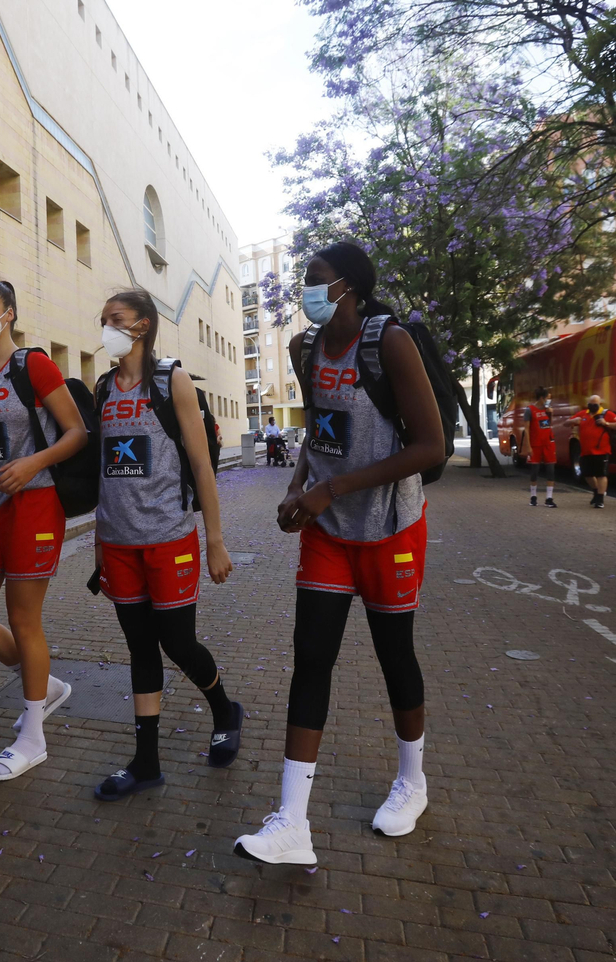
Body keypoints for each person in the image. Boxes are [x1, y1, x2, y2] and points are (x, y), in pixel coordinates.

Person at [234, 240, 445, 866]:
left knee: (393, 655)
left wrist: (336, 488)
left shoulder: (390, 343)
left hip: (389, 527)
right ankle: (291, 822)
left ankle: (413, 782)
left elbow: (431, 446)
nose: (308, 292)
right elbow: (320, 431)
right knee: (311, 659)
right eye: (305, 281)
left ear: (350, 286)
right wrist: (298, 488)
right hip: (328, 532)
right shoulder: (306, 349)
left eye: (318, 280)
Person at [91, 290, 240, 801]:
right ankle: (146, 761)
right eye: (103, 319)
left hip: (169, 538)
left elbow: (201, 465)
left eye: (117, 319)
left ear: (143, 326)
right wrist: (98, 541)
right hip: (118, 542)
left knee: (177, 643)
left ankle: (224, 708)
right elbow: (105, 475)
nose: (106, 327)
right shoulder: (103, 387)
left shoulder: (171, 379)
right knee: (139, 647)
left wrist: (214, 540)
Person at [0, 281, 88, 780]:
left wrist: (32, 464)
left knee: (24, 620)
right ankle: (43, 684)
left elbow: (77, 433)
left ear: (8, 314)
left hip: (35, 504)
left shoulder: (33, 366)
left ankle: (32, 736)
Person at [575, 393, 616, 508]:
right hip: (586, 451)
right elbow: (566, 423)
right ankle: (596, 491)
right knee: (587, 474)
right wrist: (574, 421)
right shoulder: (583, 414)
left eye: (594, 404)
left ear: (599, 404)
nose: (592, 406)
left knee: (601, 474)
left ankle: (600, 499)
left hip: (601, 450)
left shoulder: (606, 414)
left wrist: (606, 423)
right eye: (590, 404)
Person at [522, 386, 557, 508]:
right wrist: (528, 446)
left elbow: (548, 425)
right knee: (535, 471)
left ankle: (549, 498)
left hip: (548, 444)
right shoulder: (530, 410)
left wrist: (550, 414)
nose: (549, 401)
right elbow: (526, 429)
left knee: (551, 470)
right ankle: (533, 496)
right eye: (548, 398)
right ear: (542, 398)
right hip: (535, 445)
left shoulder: (548, 410)